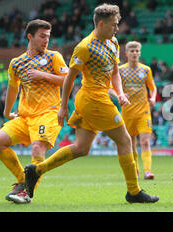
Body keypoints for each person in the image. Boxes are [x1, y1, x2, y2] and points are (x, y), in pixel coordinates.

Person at [23, 4, 159, 204]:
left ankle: (37, 170)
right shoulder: (85, 47)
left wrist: (120, 93)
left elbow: (114, 73)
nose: (116, 28)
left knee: (81, 148)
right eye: (113, 24)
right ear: (101, 24)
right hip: (93, 100)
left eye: (117, 24)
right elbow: (70, 78)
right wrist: (63, 106)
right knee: (125, 141)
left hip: (98, 99)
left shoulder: (113, 42)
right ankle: (133, 191)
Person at [0, 19, 68, 204]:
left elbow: (68, 81)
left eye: (48, 37)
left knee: (37, 147)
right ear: (30, 36)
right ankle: (23, 180)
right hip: (25, 116)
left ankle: (26, 193)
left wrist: (43, 75)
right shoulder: (17, 63)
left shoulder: (53, 57)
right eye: (42, 36)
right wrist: (7, 112)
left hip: (48, 113)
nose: (46, 40)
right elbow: (12, 88)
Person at [117, 41, 157, 180]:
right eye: (132, 51)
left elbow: (152, 87)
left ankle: (147, 171)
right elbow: (111, 87)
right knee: (131, 143)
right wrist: (119, 95)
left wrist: (152, 98)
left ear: (140, 53)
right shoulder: (120, 70)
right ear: (126, 53)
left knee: (145, 141)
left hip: (143, 111)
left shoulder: (145, 70)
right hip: (127, 112)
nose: (134, 53)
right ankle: (136, 170)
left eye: (136, 51)